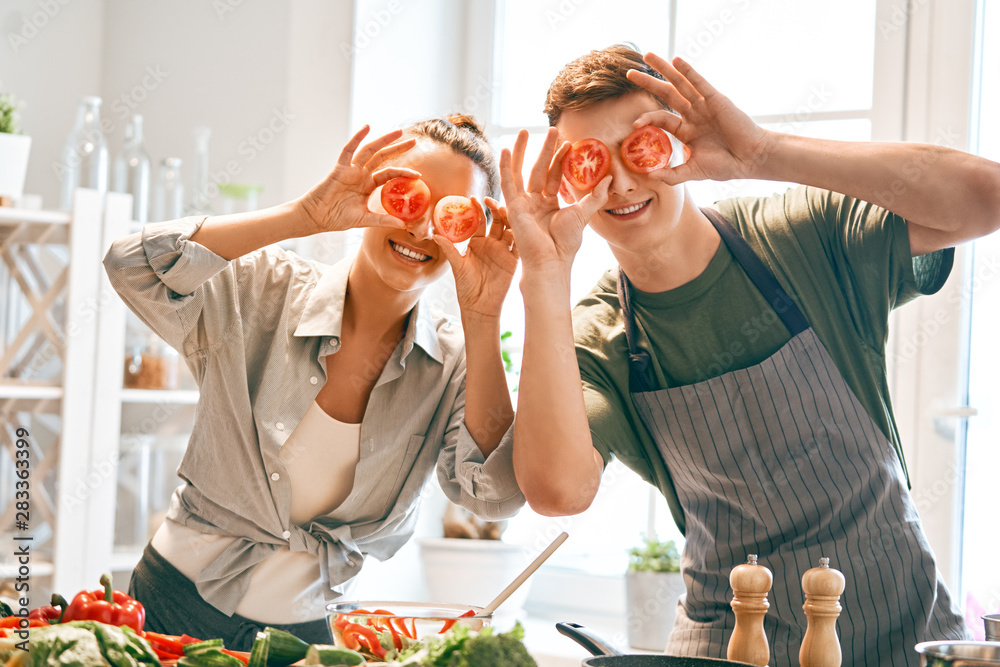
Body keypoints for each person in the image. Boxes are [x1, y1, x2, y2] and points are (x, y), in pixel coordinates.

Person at [503, 44, 1000, 667]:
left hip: (899, 633)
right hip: (728, 649)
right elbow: (558, 491)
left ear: (679, 140)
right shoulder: (597, 336)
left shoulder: (803, 237)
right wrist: (543, 276)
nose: (623, 183)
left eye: (641, 146)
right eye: (590, 164)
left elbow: (986, 197)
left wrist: (763, 153)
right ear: (564, 178)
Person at [103, 115, 524, 649]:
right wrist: (304, 216)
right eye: (408, 198)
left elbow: (493, 495)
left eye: (450, 216)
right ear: (375, 194)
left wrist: (483, 315)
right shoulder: (262, 288)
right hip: (168, 606)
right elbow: (131, 264)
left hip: (301, 642)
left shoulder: (454, 365)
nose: (421, 230)